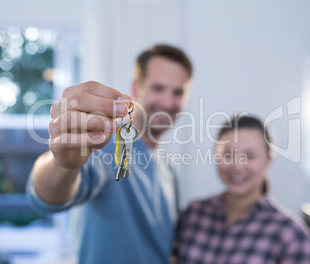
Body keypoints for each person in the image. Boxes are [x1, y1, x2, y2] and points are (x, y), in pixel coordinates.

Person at [26, 44, 193, 264]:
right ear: (136, 88)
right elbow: (49, 197)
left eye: (178, 92)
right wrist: (62, 163)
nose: (168, 102)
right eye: (158, 88)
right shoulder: (103, 146)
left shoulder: (169, 171)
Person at [175, 115, 310, 264]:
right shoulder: (194, 214)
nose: (237, 166)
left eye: (250, 156)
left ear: (268, 161)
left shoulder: (291, 235)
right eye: (228, 154)